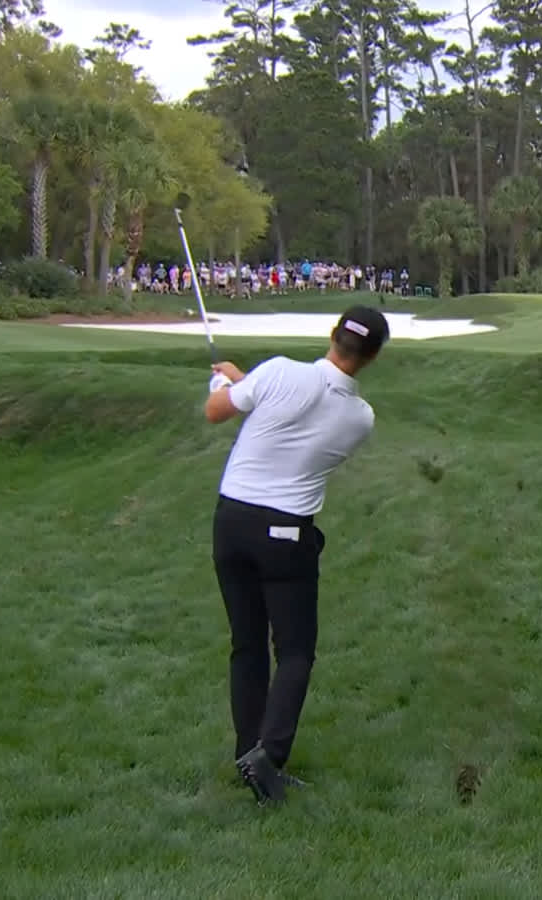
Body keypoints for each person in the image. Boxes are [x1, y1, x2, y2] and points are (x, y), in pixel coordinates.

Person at [202, 305, 391, 806]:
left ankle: (249, 753)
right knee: (294, 651)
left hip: (232, 524)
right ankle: (268, 758)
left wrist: (225, 385)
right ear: (371, 358)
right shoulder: (360, 418)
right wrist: (248, 382)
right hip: (286, 535)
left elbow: (218, 411)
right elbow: (310, 410)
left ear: (332, 336)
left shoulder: (278, 372)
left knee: (246, 644)